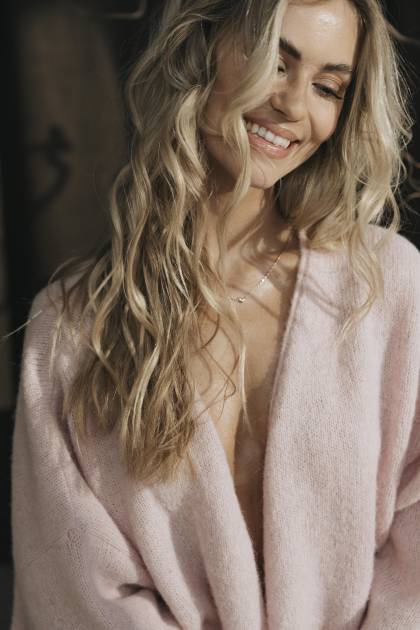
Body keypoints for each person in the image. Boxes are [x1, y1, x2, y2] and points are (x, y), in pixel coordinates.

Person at [10, 0, 420, 627]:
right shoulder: (71, 328)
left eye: (328, 87)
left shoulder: (386, 285)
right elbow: (72, 587)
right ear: (198, 49)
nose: (293, 104)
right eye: (274, 61)